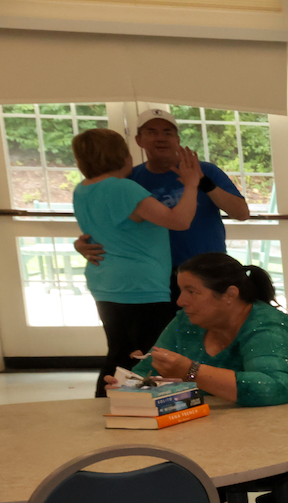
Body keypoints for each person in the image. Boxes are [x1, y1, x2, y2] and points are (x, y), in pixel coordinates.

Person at [70, 127, 198, 398]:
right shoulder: (123, 188)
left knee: (119, 351)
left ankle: (107, 404)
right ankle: (136, 404)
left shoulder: (82, 190)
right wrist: (192, 183)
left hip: (104, 279)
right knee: (146, 354)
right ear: (121, 156)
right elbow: (180, 221)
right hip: (139, 284)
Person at [74, 109, 251, 289]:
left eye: (168, 133)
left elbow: (242, 213)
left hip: (209, 270)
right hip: (158, 275)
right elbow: (106, 220)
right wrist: (83, 243)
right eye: (151, 132)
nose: (161, 138)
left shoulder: (206, 171)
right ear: (138, 140)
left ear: (177, 140)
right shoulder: (129, 180)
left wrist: (203, 183)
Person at [127, 252, 288, 407]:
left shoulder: (269, 328)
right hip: (231, 427)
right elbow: (148, 371)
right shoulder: (186, 322)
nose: (181, 301)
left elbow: (277, 388)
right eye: (181, 291)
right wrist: (128, 386)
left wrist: (190, 372)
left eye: (191, 292)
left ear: (229, 295)